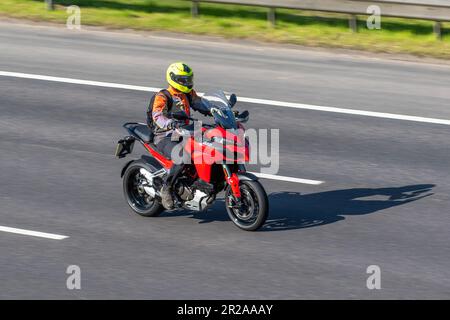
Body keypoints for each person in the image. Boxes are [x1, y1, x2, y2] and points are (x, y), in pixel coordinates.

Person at [147, 62, 210, 210]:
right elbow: (157, 116)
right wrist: (172, 124)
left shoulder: (188, 93)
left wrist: (220, 111)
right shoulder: (163, 96)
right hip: (165, 135)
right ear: (173, 79)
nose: (187, 83)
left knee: (211, 144)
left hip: (186, 131)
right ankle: (166, 187)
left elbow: (202, 104)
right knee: (182, 156)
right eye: (183, 80)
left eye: (188, 79)